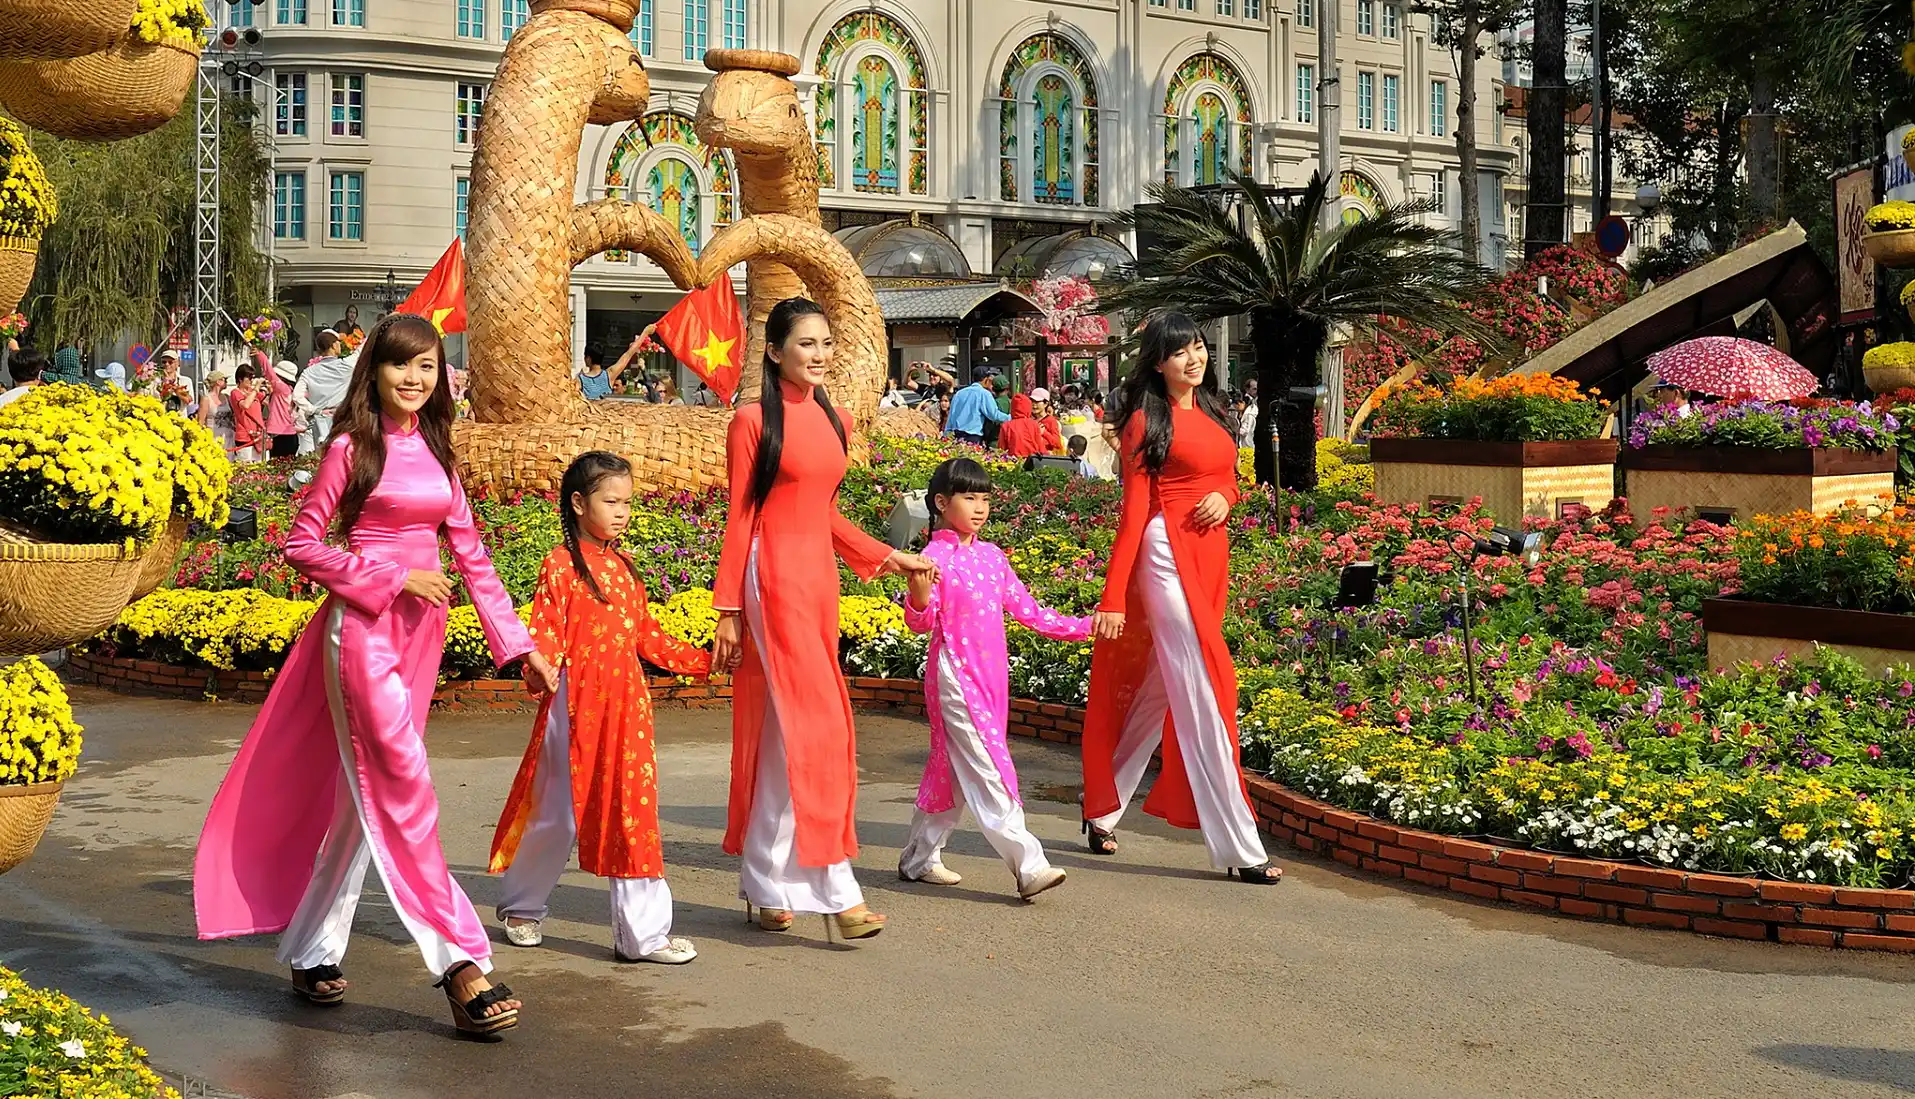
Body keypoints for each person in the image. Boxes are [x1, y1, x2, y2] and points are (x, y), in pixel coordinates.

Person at [194, 313, 559, 1038]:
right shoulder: (350, 449)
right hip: (360, 634)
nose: (415, 378)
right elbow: (302, 544)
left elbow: (475, 558)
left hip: (417, 640)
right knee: (403, 787)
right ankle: (459, 962)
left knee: (365, 796)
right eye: (401, 365)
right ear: (375, 371)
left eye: (427, 366)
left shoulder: (437, 452)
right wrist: (391, 577)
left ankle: (310, 945)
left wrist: (519, 647)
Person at [710, 297, 936, 943]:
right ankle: (837, 891)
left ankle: (763, 883)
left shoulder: (832, 417)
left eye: (825, 342)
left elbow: (824, 514)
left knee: (786, 737)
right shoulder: (751, 421)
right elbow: (741, 516)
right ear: (775, 350)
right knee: (817, 729)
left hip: (817, 580)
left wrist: (884, 554)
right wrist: (728, 609)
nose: (818, 353)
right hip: (772, 576)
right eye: (805, 343)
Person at [1079, 311, 1282, 885]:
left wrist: (1227, 495)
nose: (1194, 359)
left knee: (1160, 688)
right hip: (1165, 553)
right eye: (1180, 352)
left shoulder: (1215, 410)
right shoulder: (1145, 420)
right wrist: (1113, 597)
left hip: (1210, 556)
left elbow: (1228, 475)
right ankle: (1240, 844)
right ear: (1157, 362)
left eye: (1198, 347)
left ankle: (1101, 806)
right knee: (1204, 690)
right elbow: (1134, 511)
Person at [492, 451, 712, 965]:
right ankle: (522, 907)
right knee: (556, 814)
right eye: (610, 501)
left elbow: (648, 638)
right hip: (572, 705)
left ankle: (644, 936)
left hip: (626, 709)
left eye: (627, 503)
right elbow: (543, 633)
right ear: (577, 503)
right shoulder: (560, 565)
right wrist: (539, 667)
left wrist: (707, 661)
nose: (622, 512)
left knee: (632, 809)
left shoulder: (624, 568)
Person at [898, 458, 1087, 899]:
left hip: (991, 682)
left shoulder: (992, 556)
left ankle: (918, 858)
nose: (980, 507)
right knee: (989, 769)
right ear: (942, 503)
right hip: (955, 678)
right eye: (969, 497)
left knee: (953, 771)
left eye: (985, 498)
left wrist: (1087, 625)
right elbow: (920, 623)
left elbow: (1030, 613)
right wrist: (920, 591)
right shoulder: (933, 558)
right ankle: (1029, 864)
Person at [296, 330, 355, 450]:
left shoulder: (309, 372)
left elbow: (297, 396)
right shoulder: (346, 365)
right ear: (333, 345)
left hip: (318, 422)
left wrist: (315, 410)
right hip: (341, 420)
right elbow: (364, 348)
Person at [577, 331, 647, 401]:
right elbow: (629, 354)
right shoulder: (609, 375)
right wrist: (645, 332)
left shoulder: (580, 380)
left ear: (588, 359)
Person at [945, 372, 1009, 445]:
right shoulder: (984, 393)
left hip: (957, 435)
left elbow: (951, 415)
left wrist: (946, 434)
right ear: (986, 380)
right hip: (973, 436)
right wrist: (1011, 417)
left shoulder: (959, 393)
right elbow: (993, 415)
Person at [230, 361, 267, 463]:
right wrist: (256, 389)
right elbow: (245, 405)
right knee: (245, 466)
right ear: (240, 379)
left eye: (252, 377)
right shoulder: (235, 393)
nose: (251, 380)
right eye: (249, 377)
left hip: (258, 435)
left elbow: (268, 403)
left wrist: (269, 389)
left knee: (261, 466)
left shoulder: (252, 391)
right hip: (245, 436)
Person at [268, 359, 302, 458]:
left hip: (281, 435)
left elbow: (268, 371)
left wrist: (259, 354)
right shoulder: (291, 390)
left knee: (277, 468)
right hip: (290, 434)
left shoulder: (282, 388)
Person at [997, 392, 1046, 458]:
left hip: (1013, 461)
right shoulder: (1034, 424)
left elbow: (1001, 448)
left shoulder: (1006, 425)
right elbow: (1040, 446)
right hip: (1031, 459)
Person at [199, 372, 235, 452]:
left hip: (228, 439)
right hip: (213, 439)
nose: (226, 382)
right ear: (218, 382)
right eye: (224, 380)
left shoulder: (227, 397)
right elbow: (200, 422)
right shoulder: (206, 399)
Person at [1031, 388, 1062, 454]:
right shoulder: (1029, 419)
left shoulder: (1051, 421)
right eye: (1032, 401)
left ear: (1045, 404)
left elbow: (1058, 444)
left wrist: (1044, 433)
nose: (1034, 404)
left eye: (1037, 401)